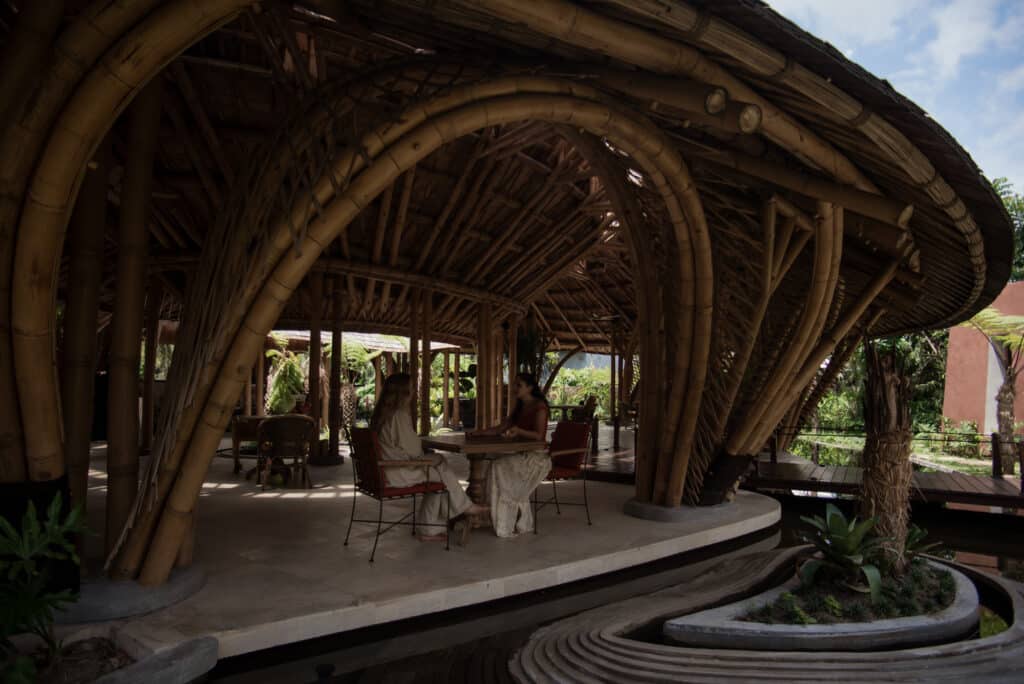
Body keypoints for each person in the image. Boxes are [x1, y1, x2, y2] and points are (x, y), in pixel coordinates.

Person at [371, 373, 487, 541]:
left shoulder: (381, 416)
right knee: (440, 474)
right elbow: (414, 452)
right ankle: (461, 510)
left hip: (385, 470)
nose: (414, 392)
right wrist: (424, 450)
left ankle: (456, 512)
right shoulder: (398, 416)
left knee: (439, 464)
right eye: (411, 389)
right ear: (404, 393)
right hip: (396, 472)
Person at [471, 373, 551, 537]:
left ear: (530, 388)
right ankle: (486, 512)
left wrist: (519, 431)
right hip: (520, 452)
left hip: (536, 457)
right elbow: (501, 428)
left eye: (518, 385)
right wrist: (478, 433)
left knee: (498, 466)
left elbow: (539, 436)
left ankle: (502, 517)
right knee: (488, 462)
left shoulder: (540, 407)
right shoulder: (520, 407)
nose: (514, 388)